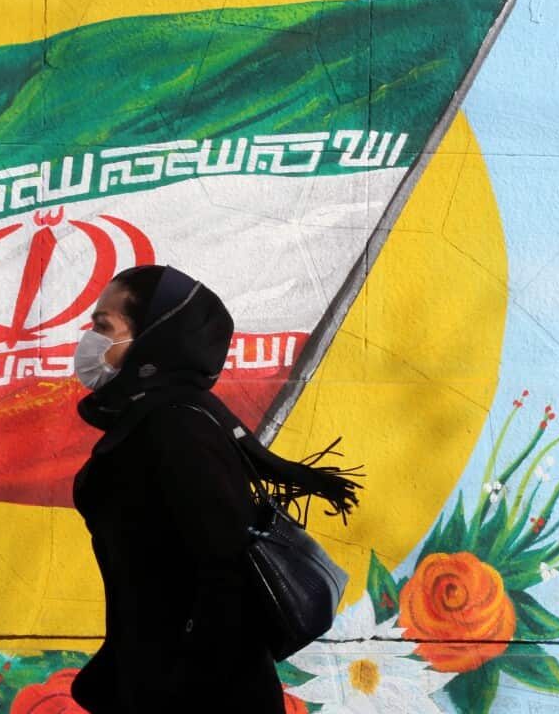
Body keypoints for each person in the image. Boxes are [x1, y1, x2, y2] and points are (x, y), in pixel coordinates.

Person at [68, 265, 362, 713]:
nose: (90, 340)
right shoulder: (159, 419)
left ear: (154, 335)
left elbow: (224, 571)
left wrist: (168, 684)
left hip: (202, 694)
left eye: (103, 326)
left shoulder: (174, 425)